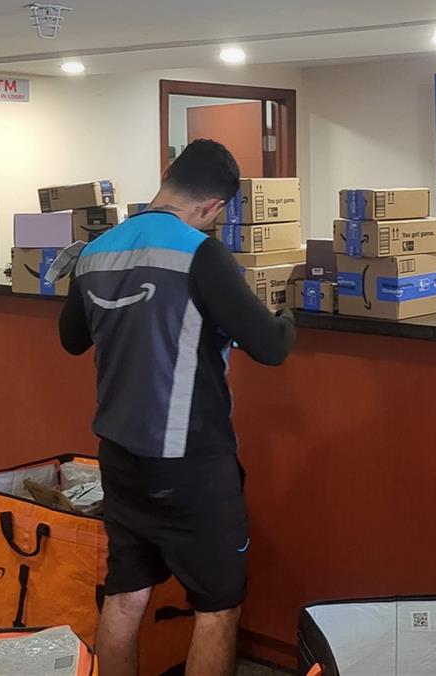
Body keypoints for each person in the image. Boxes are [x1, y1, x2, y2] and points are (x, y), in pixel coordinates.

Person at [58, 139, 296, 676]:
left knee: (125, 594)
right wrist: (288, 316)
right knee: (217, 605)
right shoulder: (199, 253)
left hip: (119, 456)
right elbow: (271, 347)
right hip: (191, 462)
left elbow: (71, 339)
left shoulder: (96, 251)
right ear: (213, 207)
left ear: (167, 180)